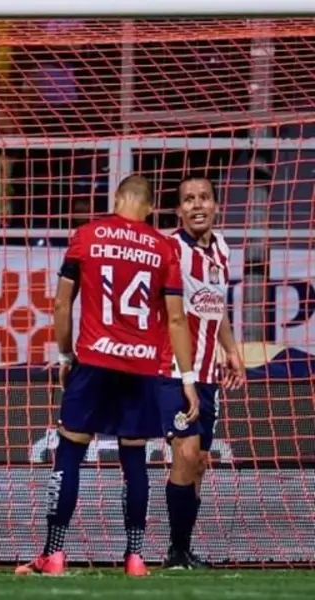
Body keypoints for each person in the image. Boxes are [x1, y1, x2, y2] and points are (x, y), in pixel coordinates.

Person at [17, 175, 199, 577]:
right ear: (150, 208)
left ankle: (54, 554)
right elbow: (174, 317)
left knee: (70, 453)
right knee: (134, 459)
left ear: (117, 199)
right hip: (142, 368)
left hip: (95, 362)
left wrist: (66, 354)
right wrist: (186, 377)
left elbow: (62, 305)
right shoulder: (164, 246)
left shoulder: (86, 235)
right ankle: (135, 558)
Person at [159, 174, 246, 569]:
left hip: (211, 373)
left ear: (215, 205)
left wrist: (231, 350)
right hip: (178, 371)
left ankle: (184, 549)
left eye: (204, 198)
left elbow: (217, 307)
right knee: (186, 454)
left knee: (199, 463)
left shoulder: (223, 249)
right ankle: (175, 553)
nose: (197, 205)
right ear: (179, 210)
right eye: (189, 199)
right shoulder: (171, 248)